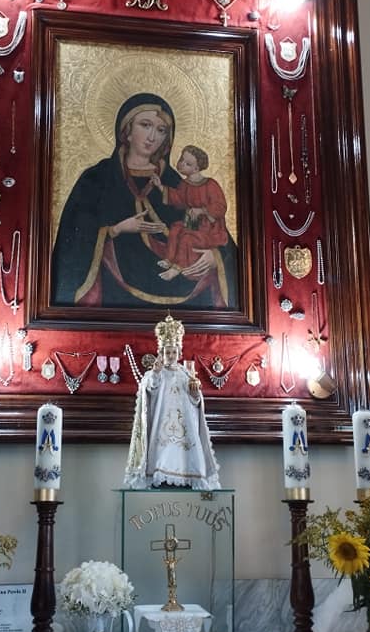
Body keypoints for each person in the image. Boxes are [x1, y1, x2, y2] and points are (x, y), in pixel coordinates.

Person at [51, 93, 237, 309]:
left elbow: (219, 236)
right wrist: (117, 229)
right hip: (113, 291)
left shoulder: (175, 182)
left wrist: (215, 257)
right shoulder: (97, 178)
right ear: (127, 130)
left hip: (178, 292)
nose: (152, 137)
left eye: (161, 130)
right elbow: (72, 243)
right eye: (145, 125)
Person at [124, 314, 220, 490]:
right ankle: (159, 473)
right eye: (167, 352)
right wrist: (155, 373)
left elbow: (195, 403)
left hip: (185, 428)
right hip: (162, 424)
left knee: (187, 453)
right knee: (160, 452)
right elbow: (150, 389)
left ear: (179, 353)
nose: (171, 355)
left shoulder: (186, 374)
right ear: (161, 353)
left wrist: (195, 394)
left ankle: (188, 472)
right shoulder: (155, 373)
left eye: (174, 352)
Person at [151, 144, 228, 281]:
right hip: (191, 223)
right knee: (175, 229)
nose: (181, 164)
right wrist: (160, 186)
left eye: (187, 163)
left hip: (210, 230)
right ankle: (169, 259)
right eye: (181, 159)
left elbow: (220, 206)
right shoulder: (185, 184)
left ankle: (177, 268)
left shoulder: (210, 184)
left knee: (187, 239)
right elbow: (178, 198)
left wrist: (202, 211)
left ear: (196, 168)